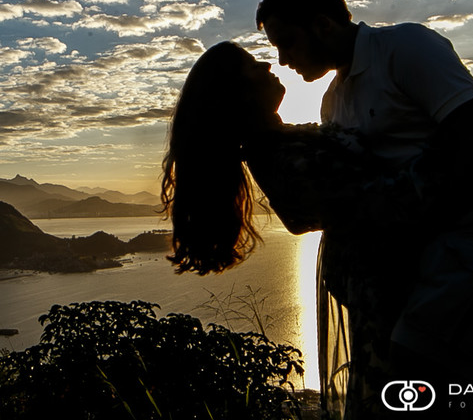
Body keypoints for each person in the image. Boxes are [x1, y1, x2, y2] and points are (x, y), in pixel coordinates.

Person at [256, 0, 473, 418]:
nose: (283, 59)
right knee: (469, 366)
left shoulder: (405, 47)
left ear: (323, 24)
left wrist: (411, 231)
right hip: (464, 219)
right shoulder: (334, 101)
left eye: (287, 41)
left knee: (421, 357)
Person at [161, 41, 439, 418]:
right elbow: (388, 201)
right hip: (393, 303)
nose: (266, 64)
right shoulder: (279, 159)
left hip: (400, 292)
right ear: (237, 95)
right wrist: (456, 143)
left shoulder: (281, 141)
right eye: (250, 65)